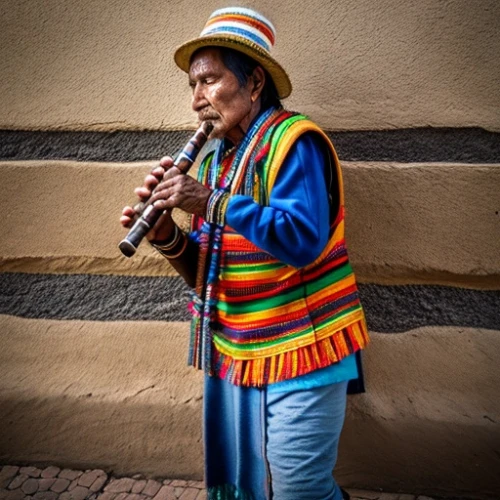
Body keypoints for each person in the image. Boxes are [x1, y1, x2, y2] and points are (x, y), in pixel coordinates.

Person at [121, 7, 369, 500]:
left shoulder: (294, 143)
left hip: (305, 347)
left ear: (254, 82)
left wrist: (208, 201)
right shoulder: (215, 162)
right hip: (239, 350)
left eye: (209, 81)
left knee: (302, 489)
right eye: (192, 86)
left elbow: (302, 240)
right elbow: (209, 277)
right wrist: (166, 233)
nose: (197, 102)